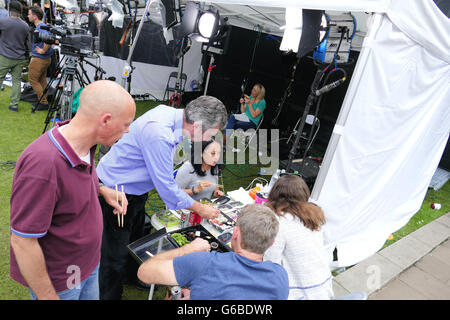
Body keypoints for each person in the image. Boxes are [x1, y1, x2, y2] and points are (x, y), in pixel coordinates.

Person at [9, 80, 136, 300]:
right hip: (62, 280)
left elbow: (71, 185)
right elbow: (23, 242)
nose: (128, 131)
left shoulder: (85, 143)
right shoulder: (43, 164)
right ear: (105, 120)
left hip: (88, 264)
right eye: (126, 124)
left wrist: (102, 189)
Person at [96, 95, 228, 300]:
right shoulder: (159, 133)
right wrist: (199, 208)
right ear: (199, 126)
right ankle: (109, 295)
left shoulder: (173, 117)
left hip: (135, 189)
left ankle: (132, 276)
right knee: (114, 253)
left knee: (136, 239)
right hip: (116, 191)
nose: (209, 140)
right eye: (210, 134)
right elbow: (166, 187)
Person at [137, 204, 289, 300]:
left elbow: (144, 272)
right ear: (271, 243)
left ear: (235, 233)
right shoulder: (280, 277)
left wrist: (186, 249)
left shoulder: (204, 263)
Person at [263, 174, 334, 300]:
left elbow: (271, 265)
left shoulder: (279, 223)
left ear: (275, 194)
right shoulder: (315, 216)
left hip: (301, 294)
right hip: (324, 288)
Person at [0, 1, 29, 112]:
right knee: (16, 81)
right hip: (19, 57)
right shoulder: (25, 25)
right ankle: (14, 105)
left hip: (5, 56)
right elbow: (27, 43)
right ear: (20, 11)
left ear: (9, 9)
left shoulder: (3, 22)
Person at [27, 5, 53, 110]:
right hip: (45, 59)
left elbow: (47, 40)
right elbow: (50, 41)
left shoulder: (40, 27)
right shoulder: (43, 26)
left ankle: (43, 102)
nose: (27, 16)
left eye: (29, 14)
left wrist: (43, 50)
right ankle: (44, 101)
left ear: (35, 16)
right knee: (42, 80)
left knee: (32, 80)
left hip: (39, 59)